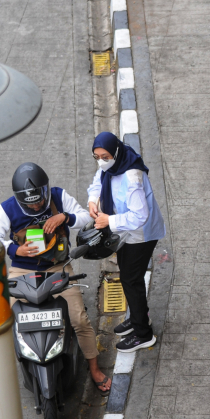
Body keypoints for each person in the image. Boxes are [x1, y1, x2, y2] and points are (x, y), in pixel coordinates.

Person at [0, 162, 111, 394]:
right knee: (5, 323)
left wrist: (64, 218)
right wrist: (16, 250)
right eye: (30, 203)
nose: (37, 205)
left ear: (46, 190)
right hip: (22, 271)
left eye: (39, 199)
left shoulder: (58, 196)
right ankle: (3, 375)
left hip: (58, 267)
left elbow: (85, 219)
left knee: (78, 319)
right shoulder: (6, 209)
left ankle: (94, 369)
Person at [88, 132, 165, 353]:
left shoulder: (132, 177)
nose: (101, 161)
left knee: (131, 280)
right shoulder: (111, 166)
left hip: (140, 235)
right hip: (124, 232)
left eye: (105, 156)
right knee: (129, 277)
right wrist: (93, 200)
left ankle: (143, 334)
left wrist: (109, 220)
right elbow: (97, 182)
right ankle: (139, 317)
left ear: (116, 153)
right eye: (97, 156)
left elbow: (140, 215)